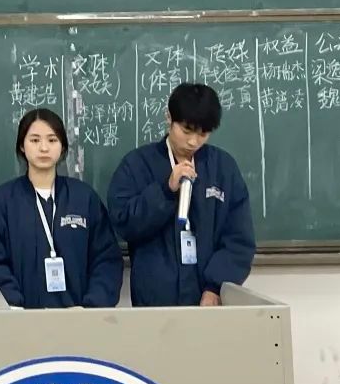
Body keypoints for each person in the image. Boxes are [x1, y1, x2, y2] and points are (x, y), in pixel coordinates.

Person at [108, 83, 255, 307]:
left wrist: (215, 287)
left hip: (208, 302)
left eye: (203, 134)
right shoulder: (136, 165)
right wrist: (165, 190)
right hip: (154, 302)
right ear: (169, 117)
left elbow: (239, 238)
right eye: (186, 131)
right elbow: (124, 222)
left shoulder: (223, 168)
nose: (193, 141)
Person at [0, 107, 123, 309]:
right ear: (22, 146)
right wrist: (13, 306)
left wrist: (92, 307)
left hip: (78, 318)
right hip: (20, 319)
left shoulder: (84, 198)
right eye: (34, 140)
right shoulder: (2, 202)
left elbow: (106, 260)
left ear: (62, 147)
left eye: (52, 140)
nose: (44, 148)